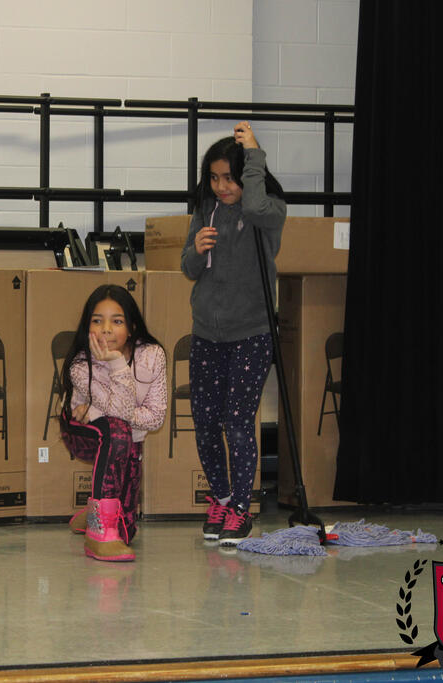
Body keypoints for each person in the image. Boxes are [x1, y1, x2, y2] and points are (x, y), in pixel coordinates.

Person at [181, 122, 287, 547]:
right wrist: (196, 249)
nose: (221, 187)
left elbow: (255, 205)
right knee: (206, 422)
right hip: (207, 333)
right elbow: (188, 268)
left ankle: (242, 509)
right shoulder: (206, 210)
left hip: (251, 333)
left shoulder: (268, 211)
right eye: (214, 178)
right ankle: (222, 500)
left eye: (230, 178)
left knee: (238, 422)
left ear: (247, 174)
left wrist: (255, 153)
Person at [59, 285, 166, 562]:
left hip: (129, 436)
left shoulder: (152, 355)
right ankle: (98, 533)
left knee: (126, 532)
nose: (106, 329)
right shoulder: (81, 364)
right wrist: (117, 364)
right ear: (87, 326)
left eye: (117, 321)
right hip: (82, 434)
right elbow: (120, 413)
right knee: (116, 430)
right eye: (97, 321)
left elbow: (156, 417)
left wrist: (97, 408)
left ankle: (94, 511)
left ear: (131, 328)